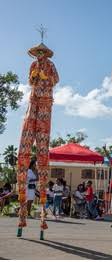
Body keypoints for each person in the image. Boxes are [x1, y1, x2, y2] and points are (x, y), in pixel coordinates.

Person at [17, 40, 59, 229]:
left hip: (46, 102)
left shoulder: (51, 65)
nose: (40, 55)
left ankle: (41, 211)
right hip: (34, 100)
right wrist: (35, 76)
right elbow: (30, 80)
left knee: (43, 145)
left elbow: (56, 80)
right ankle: (22, 211)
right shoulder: (33, 65)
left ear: (46, 54)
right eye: (38, 53)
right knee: (26, 142)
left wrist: (45, 76)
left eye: (42, 53)